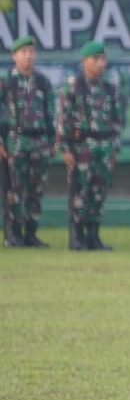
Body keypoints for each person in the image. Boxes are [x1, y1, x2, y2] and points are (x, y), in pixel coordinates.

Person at [58, 41, 125, 251]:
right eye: (95, 59)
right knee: (80, 192)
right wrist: (65, 148)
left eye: (102, 59)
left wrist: (115, 148)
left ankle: (93, 236)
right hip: (81, 148)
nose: (99, 63)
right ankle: (77, 237)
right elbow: (63, 118)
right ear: (84, 61)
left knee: (99, 192)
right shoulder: (73, 86)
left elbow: (117, 121)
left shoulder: (110, 88)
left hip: (104, 147)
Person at [3, 36, 55, 248]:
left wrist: (52, 141)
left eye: (31, 52)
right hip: (16, 141)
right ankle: (13, 234)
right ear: (14, 56)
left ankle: (31, 233)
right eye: (23, 52)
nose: (28, 56)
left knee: (36, 190)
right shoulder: (6, 81)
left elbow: (50, 113)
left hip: (40, 141)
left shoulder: (42, 81)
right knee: (15, 190)